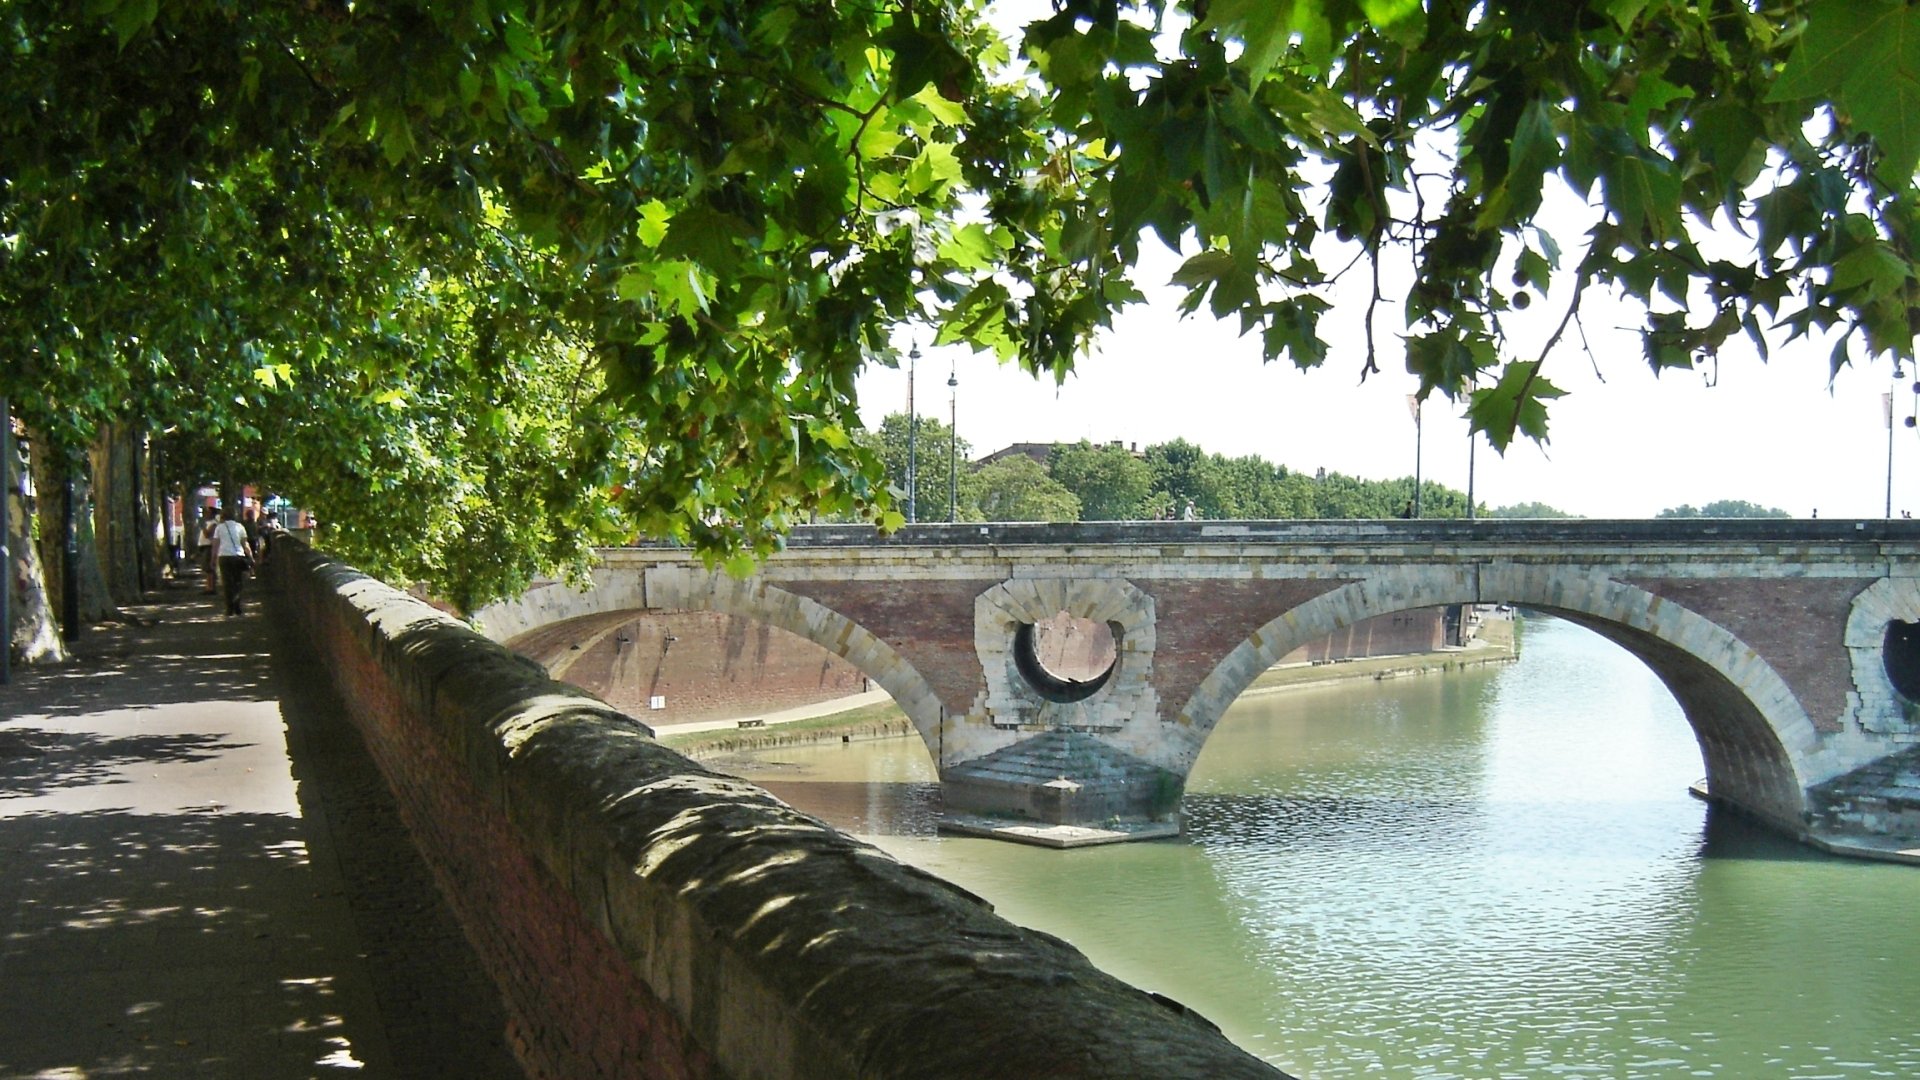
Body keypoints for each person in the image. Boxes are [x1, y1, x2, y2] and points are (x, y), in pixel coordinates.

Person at [211, 506, 255, 616]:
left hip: (224, 557)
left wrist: (213, 558)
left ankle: (229, 608)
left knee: (227, 583)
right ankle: (237, 606)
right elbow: (245, 544)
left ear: (223, 516)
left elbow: (215, 545)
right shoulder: (239, 527)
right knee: (237, 582)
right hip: (237, 556)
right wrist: (250, 556)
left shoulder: (219, 528)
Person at [196, 508, 221, 594]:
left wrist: (202, 526)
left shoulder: (214, 524)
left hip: (209, 546)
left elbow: (207, 534)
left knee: (209, 568)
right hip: (204, 546)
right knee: (206, 568)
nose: (206, 514)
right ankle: (208, 586)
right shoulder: (208, 523)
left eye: (208, 512)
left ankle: (211, 587)